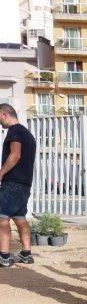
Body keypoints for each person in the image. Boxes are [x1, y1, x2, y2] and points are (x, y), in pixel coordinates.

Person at [0, 103, 36, 268]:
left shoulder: (14, 131)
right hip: (25, 183)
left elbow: (15, 154)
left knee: (1, 217)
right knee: (20, 217)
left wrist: (1, 172)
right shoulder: (28, 134)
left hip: (12, 181)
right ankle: (26, 253)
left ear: (4, 114)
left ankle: (4, 257)